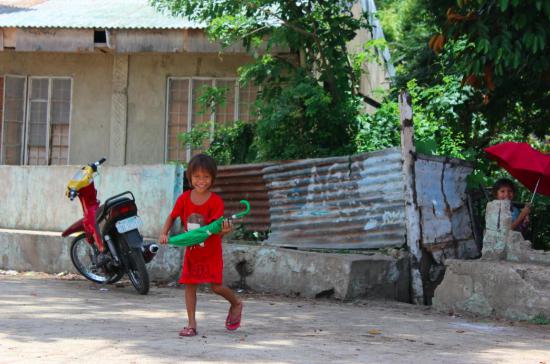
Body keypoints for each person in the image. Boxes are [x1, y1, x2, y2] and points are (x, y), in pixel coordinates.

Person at [159, 154, 243, 337]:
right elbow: (172, 216)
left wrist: (225, 230)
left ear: (212, 178)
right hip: (192, 252)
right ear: (190, 177)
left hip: (211, 252)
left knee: (216, 287)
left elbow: (215, 229)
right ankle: (191, 324)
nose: (201, 181)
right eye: (197, 176)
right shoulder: (183, 199)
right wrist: (164, 233)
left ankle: (236, 303)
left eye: (206, 176)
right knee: (190, 286)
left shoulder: (215, 202)